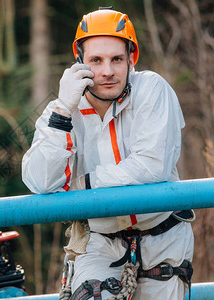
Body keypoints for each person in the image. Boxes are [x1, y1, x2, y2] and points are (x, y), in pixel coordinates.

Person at [22, 7, 194, 300]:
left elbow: (151, 168)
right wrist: (64, 111)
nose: (107, 71)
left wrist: (84, 185)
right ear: (79, 61)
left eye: (116, 59)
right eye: (96, 60)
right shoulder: (61, 110)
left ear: (131, 59)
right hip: (99, 240)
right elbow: (39, 181)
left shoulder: (152, 89)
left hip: (163, 235)